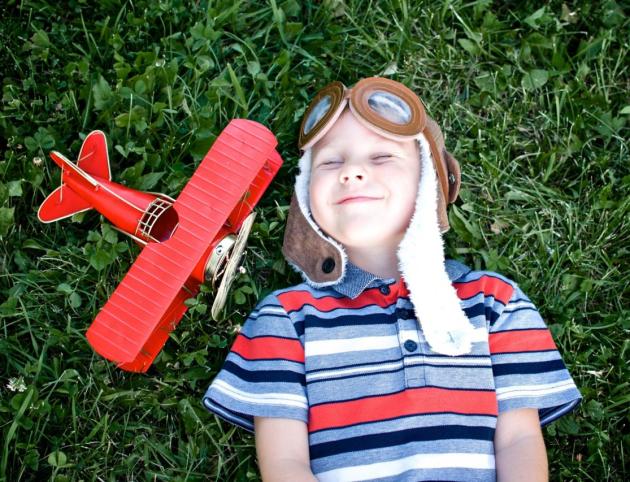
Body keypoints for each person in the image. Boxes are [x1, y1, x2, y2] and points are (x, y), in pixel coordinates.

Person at [202, 77, 582, 481]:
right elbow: (284, 463)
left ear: (430, 182)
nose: (352, 172)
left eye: (381, 157)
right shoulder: (285, 319)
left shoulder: (495, 303)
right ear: (304, 194)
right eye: (330, 161)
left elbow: (519, 442)